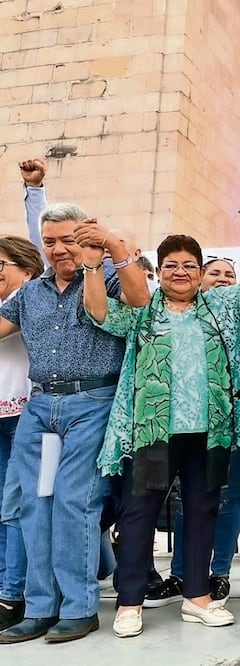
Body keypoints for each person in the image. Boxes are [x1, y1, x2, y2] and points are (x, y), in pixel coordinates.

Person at [83, 202, 240, 638]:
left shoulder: (221, 306)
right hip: (153, 430)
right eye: (171, 265)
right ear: (161, 271)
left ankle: (197, 597)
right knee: (139, 514)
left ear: (201, 271)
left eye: (189, 265)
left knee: (203, 510)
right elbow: (99, 311)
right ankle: (129, 602)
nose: (180, 272)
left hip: (211, 430)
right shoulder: (145, 313)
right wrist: (93, 262)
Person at [0, 206, 150, 644]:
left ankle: (80, 608)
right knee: (34, 504)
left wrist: (107, 251)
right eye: (50, 241)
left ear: (86, 236)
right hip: (41, 405)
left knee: (73, 503)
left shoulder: (105, 277)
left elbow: (141, 300)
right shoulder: (31, 293)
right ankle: (41, 607)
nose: (59, 249)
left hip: (94, 400)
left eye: (68, 238)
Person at [144, 255, 240, 609]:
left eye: (230, 274)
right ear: (200, 279)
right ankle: (182, 574)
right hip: (181, 423)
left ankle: (218, 572)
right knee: (182, 498)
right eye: (215, 272)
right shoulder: (173, 314)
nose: (223, 279)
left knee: (225, 497)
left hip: (227, 419)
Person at [0, 237, 44, 632]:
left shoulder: (31, 301)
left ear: (27, 269)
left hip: (26, 416)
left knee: (16, 506)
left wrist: (35, 192)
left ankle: (12, 594)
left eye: (1, 264)